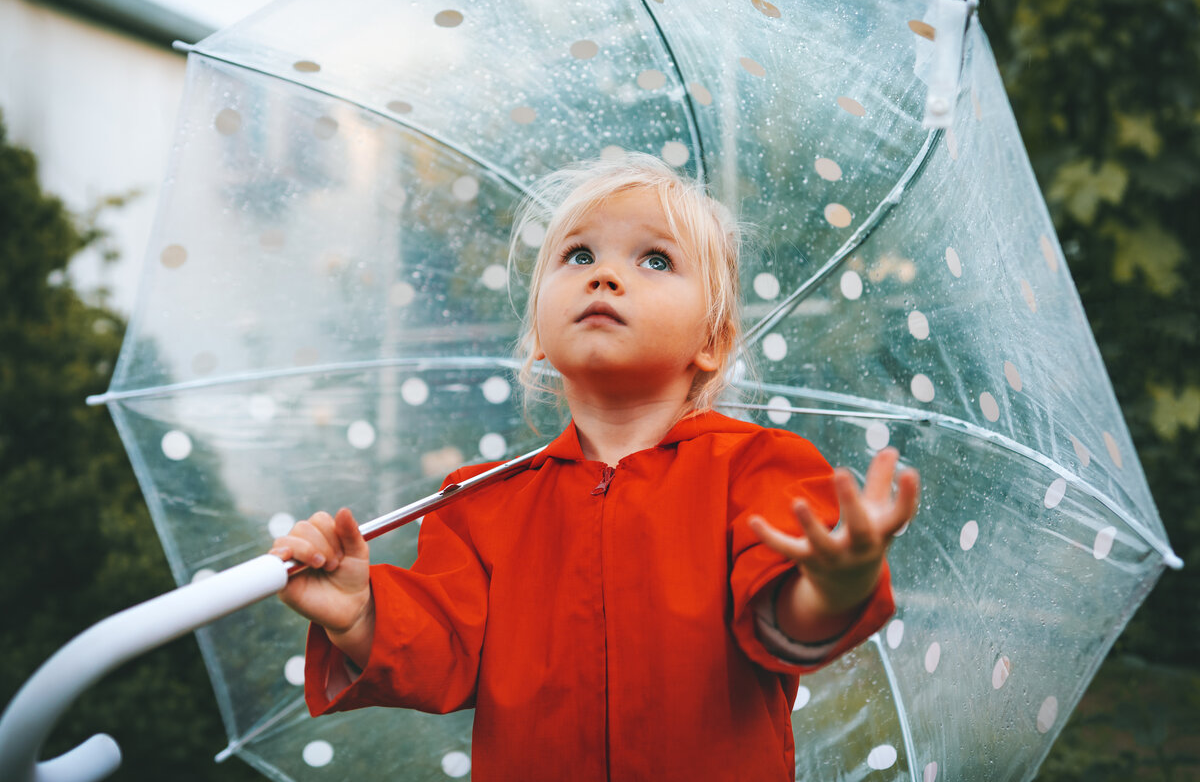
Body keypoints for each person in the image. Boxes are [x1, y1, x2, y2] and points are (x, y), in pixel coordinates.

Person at [269, 152, 920, 781]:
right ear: (538, 339)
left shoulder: (757, 469)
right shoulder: (479, 502)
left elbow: (780, 622)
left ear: (712, 344)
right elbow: (446, 656)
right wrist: (361, 616)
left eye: (655, 259)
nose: (604, 276)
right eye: (579, 255)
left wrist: (832, 588)